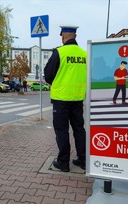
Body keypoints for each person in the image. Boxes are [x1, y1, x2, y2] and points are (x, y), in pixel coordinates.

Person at [44, 25, 87, 172]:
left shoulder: (59, 52)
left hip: (61, 100)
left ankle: (63, 163)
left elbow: (48, 75)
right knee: (79, 130)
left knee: (62, 131)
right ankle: (83, 160)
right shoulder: (85, 54)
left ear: (63, 36)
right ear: (75, 36)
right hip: (78, 99)